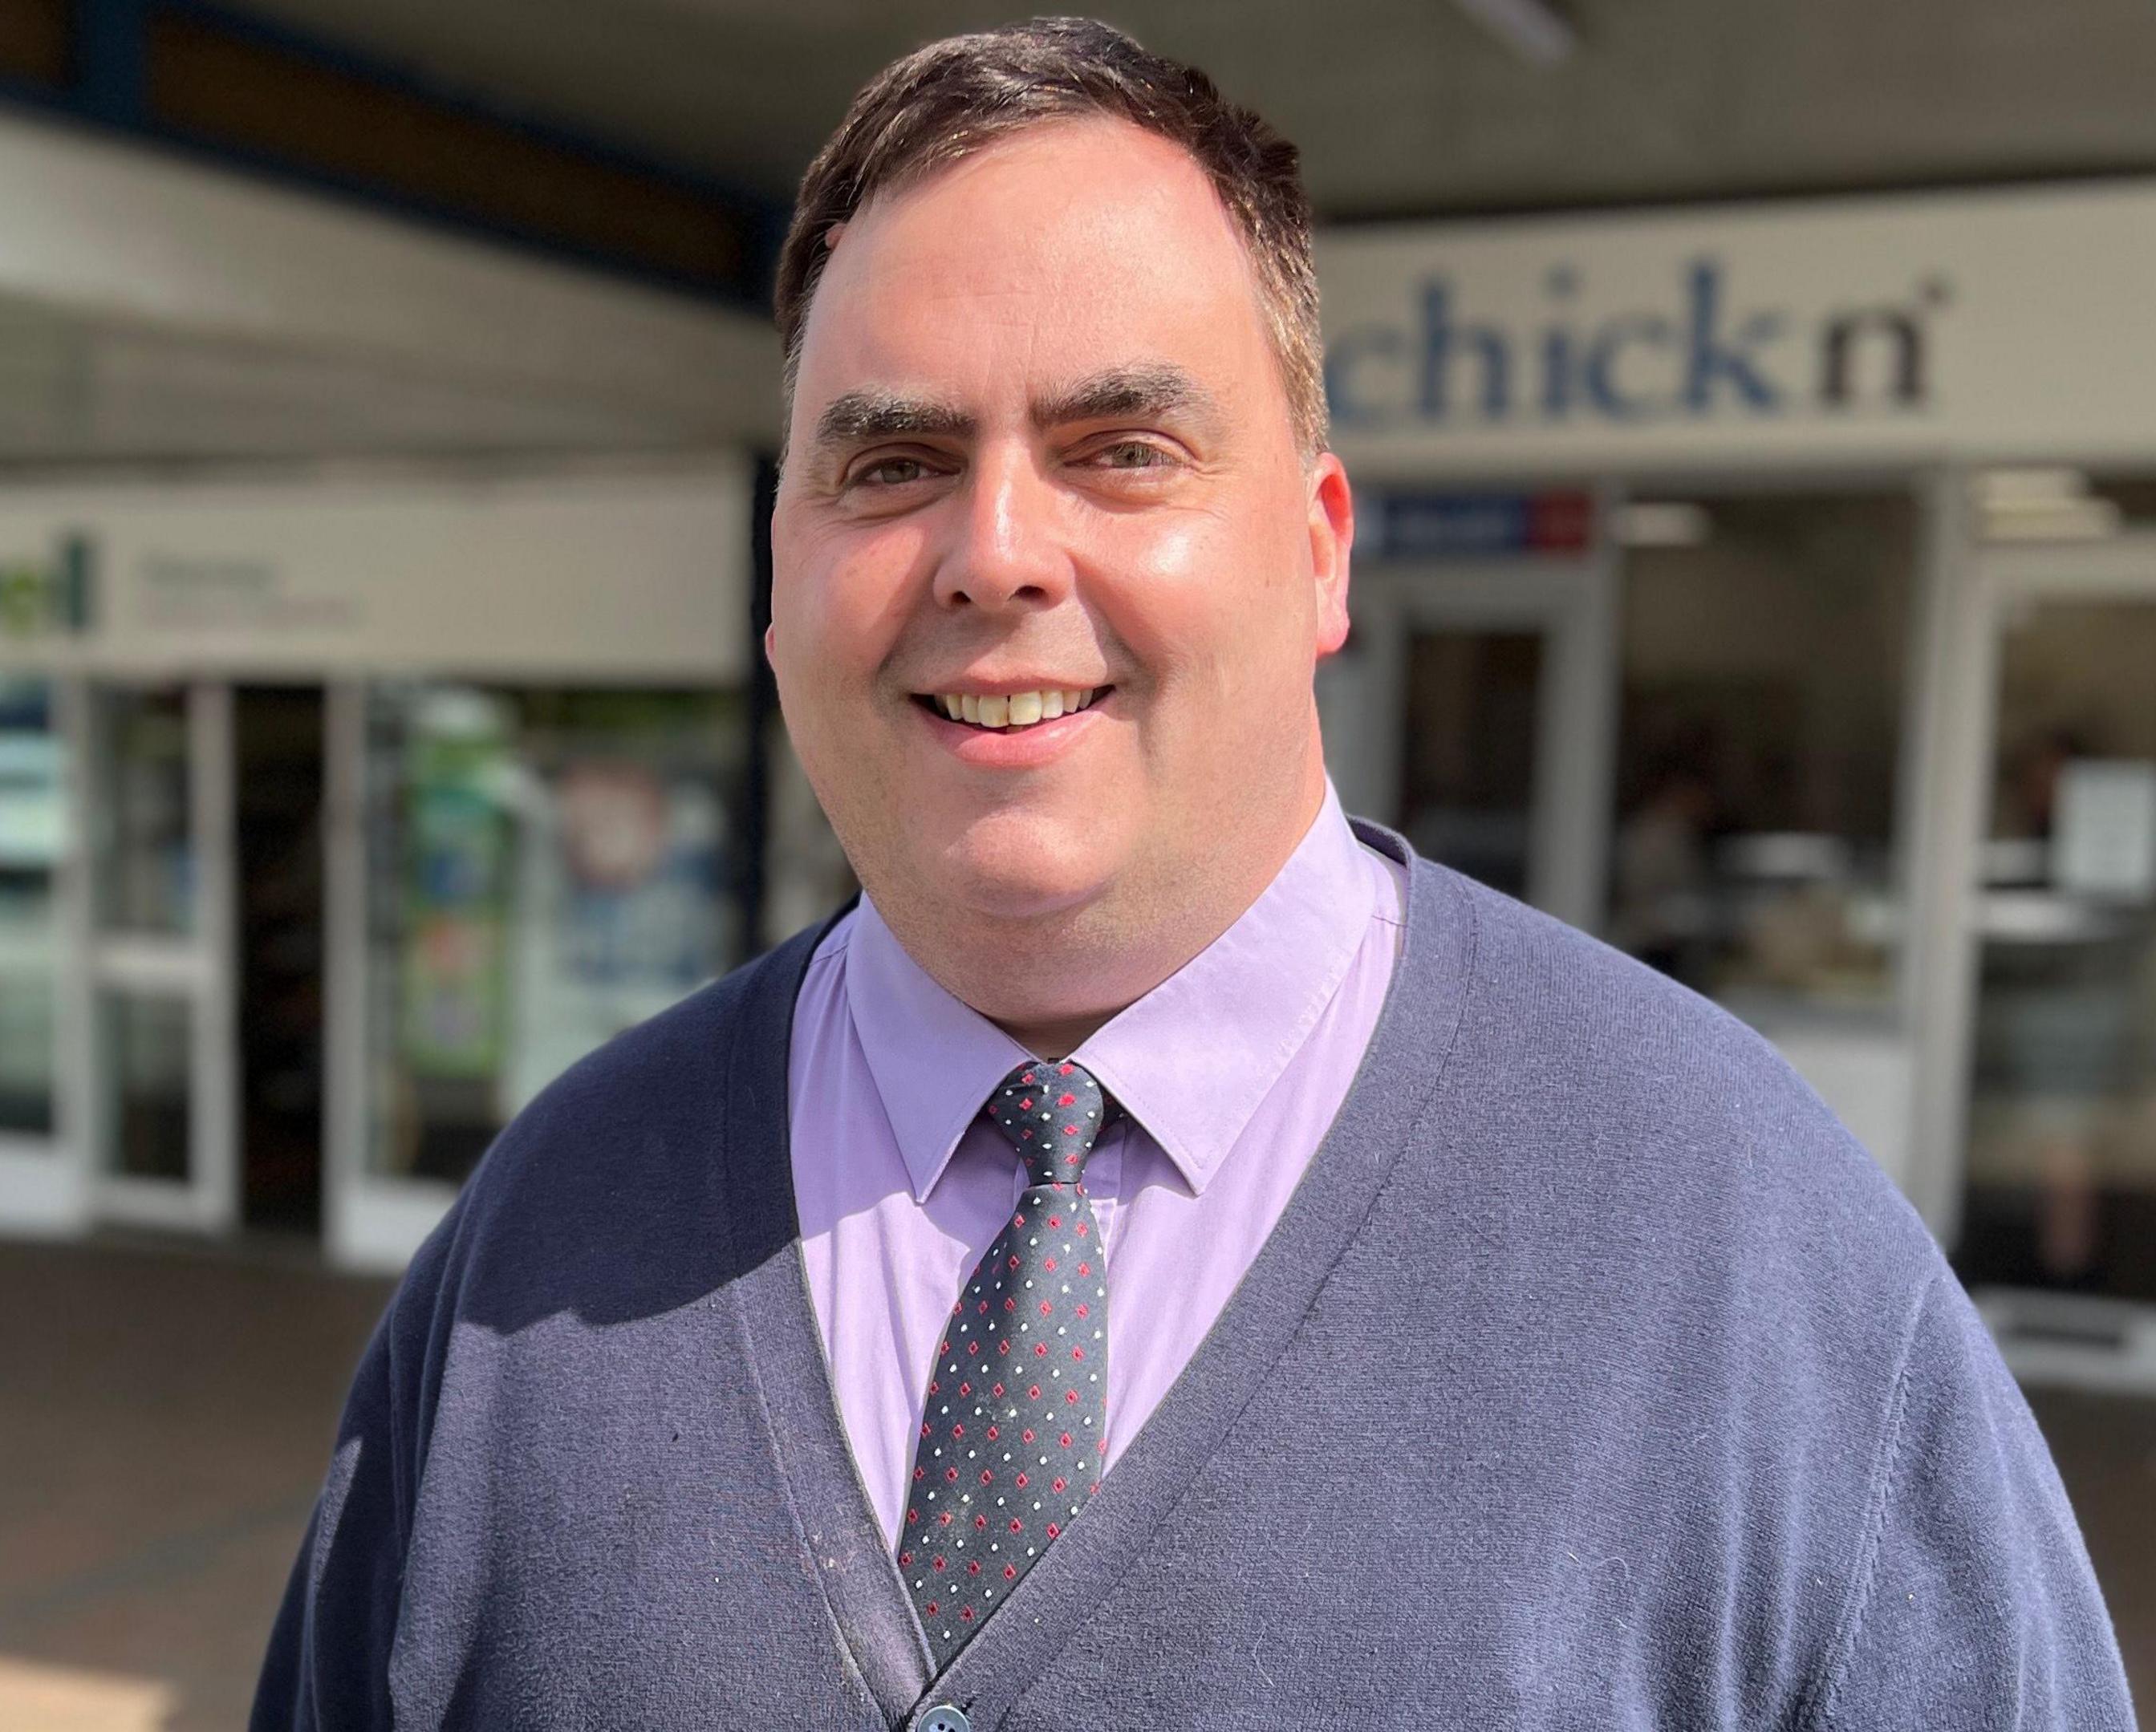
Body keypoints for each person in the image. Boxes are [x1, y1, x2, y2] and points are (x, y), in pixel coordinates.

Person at [253, 21, 2131, 1730]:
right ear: (777, 576)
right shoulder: (544, 1239)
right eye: (891, 461)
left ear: (1318, 552)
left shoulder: (1741, 1247)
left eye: (1118, 448)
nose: (992, 554)